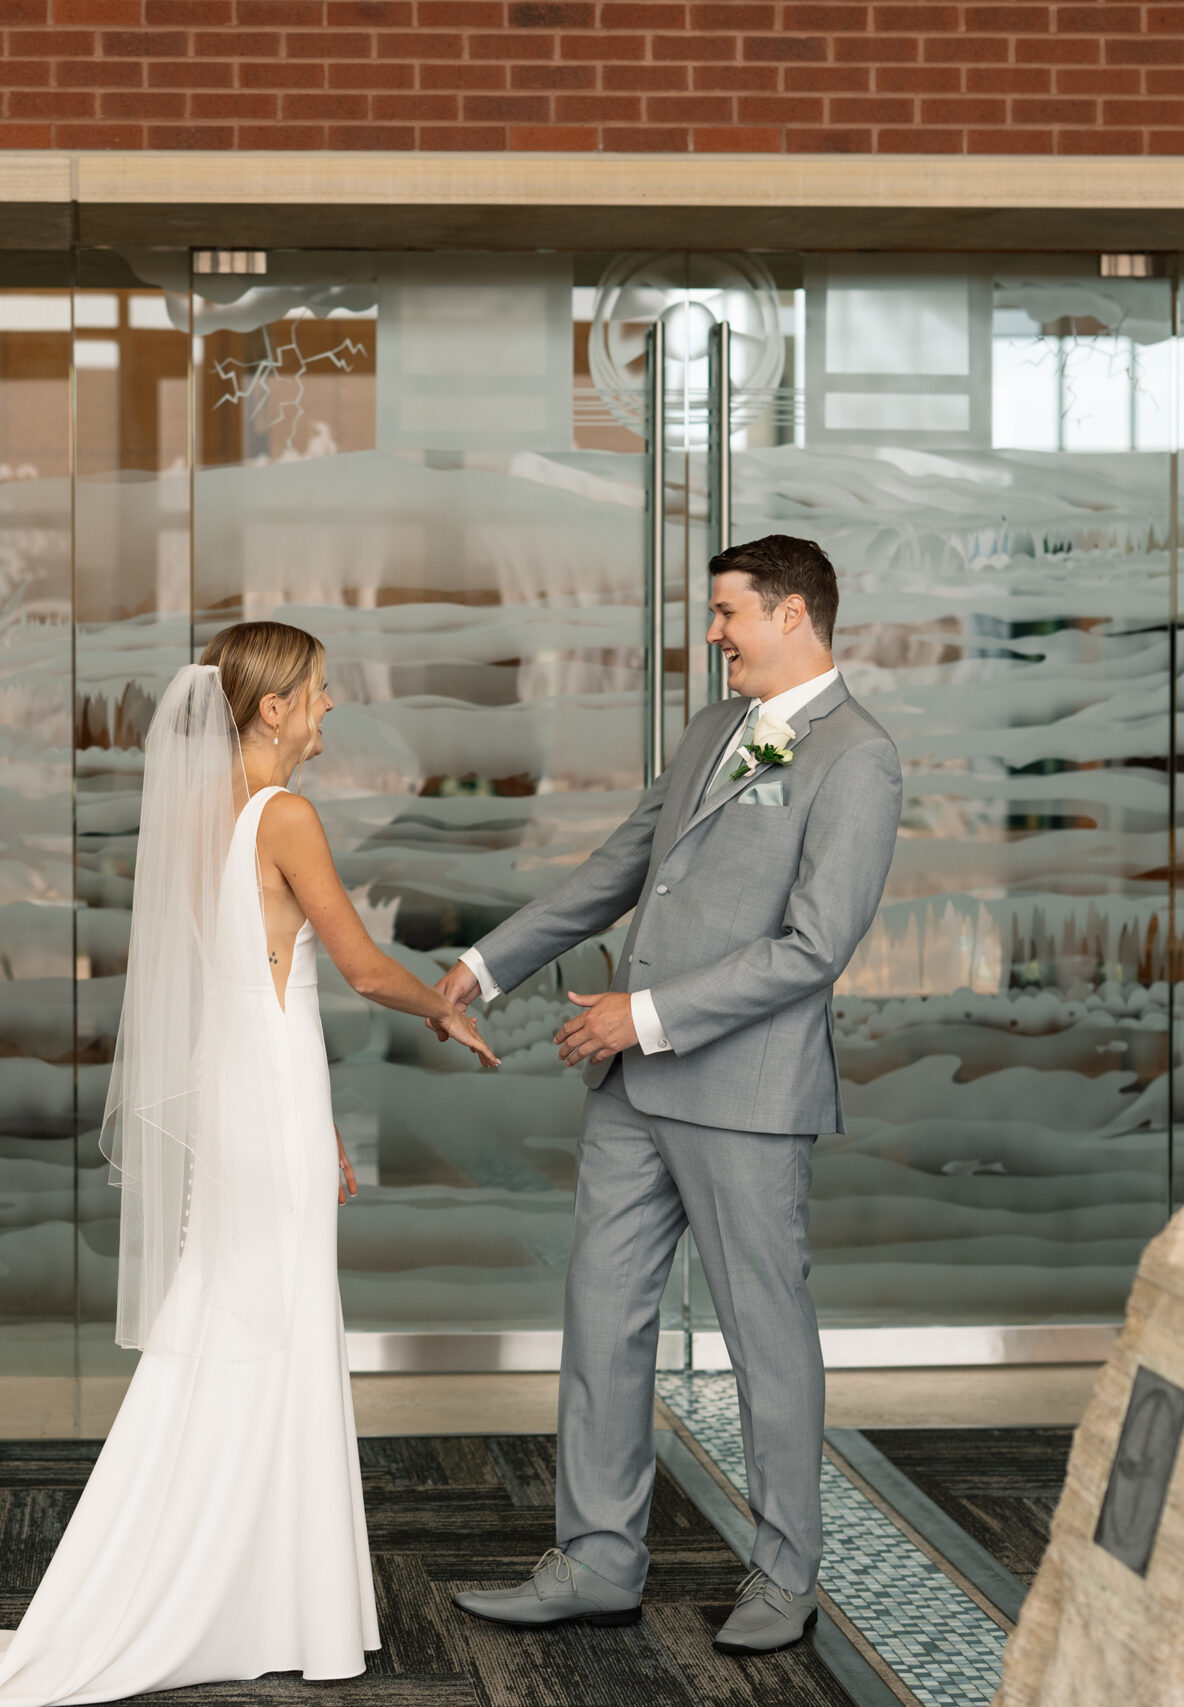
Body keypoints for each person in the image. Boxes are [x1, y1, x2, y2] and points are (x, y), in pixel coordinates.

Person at [0, 622, 499, 1706]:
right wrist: (449, 1011)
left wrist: (317, 1121)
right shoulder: (281, 814)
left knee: (239, 1317)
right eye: (320, 692)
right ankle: (259, 1595)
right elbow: (360, 967)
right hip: (265, 1101)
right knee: (268, 1321)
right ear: (272, 708)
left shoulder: (197, 818)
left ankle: (242, 1587)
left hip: (252, 1095)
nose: (332, 706)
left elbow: (249, 991)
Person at [437, 535, 901, 1657]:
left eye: (728, 613)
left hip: (742, 1093)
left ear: (791, 614)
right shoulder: (710, 733)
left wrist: (636, 1017)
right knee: (601, 1316)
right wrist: (482, 967)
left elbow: (812, 949)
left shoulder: (859, 758)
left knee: (765, 1340)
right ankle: (597, 1561)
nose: (712, 635)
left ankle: (784, 1576)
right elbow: (615, 870)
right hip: (632, 1091)